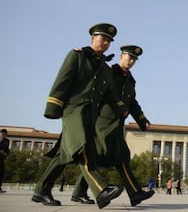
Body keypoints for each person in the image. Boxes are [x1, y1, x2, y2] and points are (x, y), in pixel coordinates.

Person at [32, 23, 129, 209]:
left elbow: (110, 93)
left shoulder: (104, 68)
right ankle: (101, 189)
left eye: (109, 40)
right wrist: (53, 107)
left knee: (63, 155)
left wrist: (121, 108)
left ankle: (41, 190)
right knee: (83, 147)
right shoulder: (77, 56)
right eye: (103, 38)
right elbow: (62, 80)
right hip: (73, 111)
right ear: (93, 38)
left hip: (90, 115)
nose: (106, 42)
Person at [72, 45, 155, 206]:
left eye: (134, 59)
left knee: (120, 157)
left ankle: (135, 193)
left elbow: (132, 102)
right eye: (129, 57)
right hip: (102, 123)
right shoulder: (108, 72)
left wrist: (142, 119)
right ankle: (82, 192)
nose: (131, 61)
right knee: (99, 156)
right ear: (121, 56)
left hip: (117, 125)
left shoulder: (130, 80)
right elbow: (100, 94)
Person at [0, 129, 10, 193]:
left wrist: (6, 153)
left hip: (1, 159)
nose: (3, 135)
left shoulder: (7, 141)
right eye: (1, 134)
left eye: (4, 134)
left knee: (1, 173)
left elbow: (7, 149)